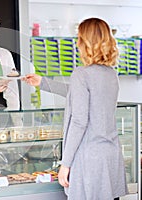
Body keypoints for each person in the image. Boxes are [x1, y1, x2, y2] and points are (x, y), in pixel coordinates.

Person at [23, 18, 128, 200]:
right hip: (110, 157)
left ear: (85, 42)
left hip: (89, 159)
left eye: (79, 38)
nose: (77, 43)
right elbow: (78, 94)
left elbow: (79, 121)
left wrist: (66, 164)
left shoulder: (81, 74)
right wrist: (43, 82)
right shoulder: (111, 73)